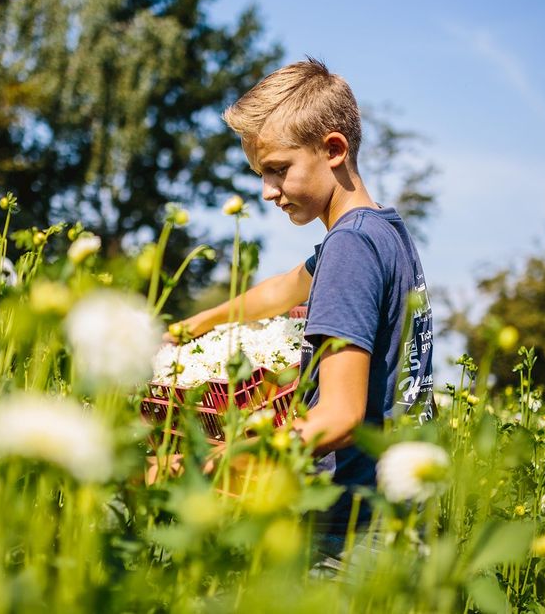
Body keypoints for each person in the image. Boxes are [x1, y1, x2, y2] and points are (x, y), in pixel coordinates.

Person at [170, 58, 434, 552]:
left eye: (277, 170)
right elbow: (286, 287)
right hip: (398, 520)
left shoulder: (349, 248)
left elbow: (339, 415)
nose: (267, 192)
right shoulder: (382, 231)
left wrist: (220, 457)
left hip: (348, 530)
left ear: (333, 149)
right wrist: (197, 323)